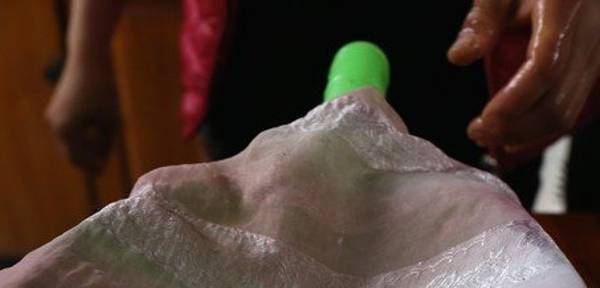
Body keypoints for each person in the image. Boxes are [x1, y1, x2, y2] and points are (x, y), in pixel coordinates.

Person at [46, 0, 600, 209]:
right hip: (258, 50)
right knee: (265, 209)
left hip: (458, 53)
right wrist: (86, 55)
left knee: (452, 218)